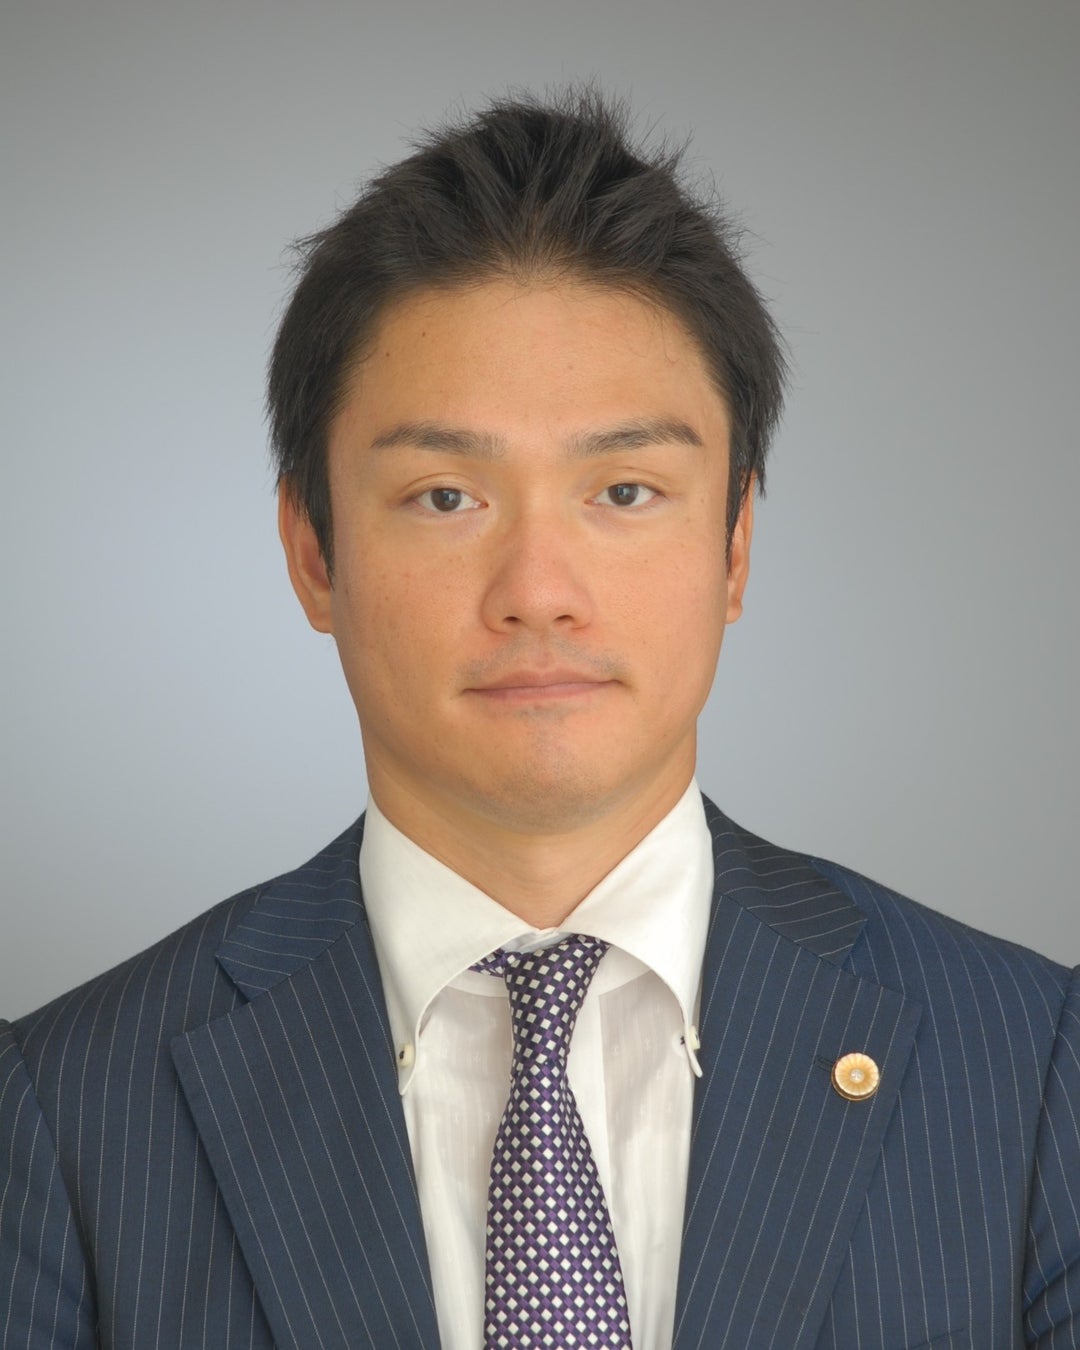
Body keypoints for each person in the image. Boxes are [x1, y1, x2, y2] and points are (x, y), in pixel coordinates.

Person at [1, 89, 1077, 1350]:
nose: (538, 593)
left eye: (623, 490)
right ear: (313, 552)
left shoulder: (1031, 1068)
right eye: (445, 496)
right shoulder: (66, 1111)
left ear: (734, 545)